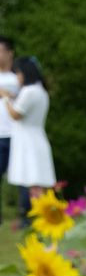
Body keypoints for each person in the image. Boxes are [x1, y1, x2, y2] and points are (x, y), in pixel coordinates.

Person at [0, 55, 56, 226]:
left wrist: (6, 97)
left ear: (26, 73)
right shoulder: (39, 91)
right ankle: (37, 216)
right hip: (34, 138)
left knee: (30, 180)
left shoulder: (29, 91)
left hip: (28, 142)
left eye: (18, 73)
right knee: (34, 180)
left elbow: (15, 114)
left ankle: (31, 217)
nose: (17, 77)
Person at [0, 36, 19, 225]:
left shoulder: (17, 78)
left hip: (16, 134)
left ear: (9, 53)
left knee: (22, 175)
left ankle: (25, 213)